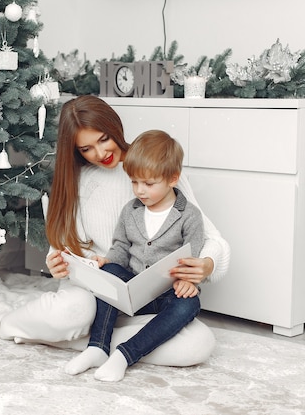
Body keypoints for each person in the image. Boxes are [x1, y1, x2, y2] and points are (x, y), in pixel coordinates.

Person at [0, 95, 230, 368]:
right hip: (96, 291)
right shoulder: (81, 182)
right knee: (73, 311)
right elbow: (66, 247)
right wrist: (60, 261)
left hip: (149, 298)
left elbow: (211, 239)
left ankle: (93, 343)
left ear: (114, 127)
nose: (101, 154)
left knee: (199, 344)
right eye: (87, 149)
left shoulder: (159, 166)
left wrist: (207, 264)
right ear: (76, 151)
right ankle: (10, 325)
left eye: (103, 139)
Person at [64, 130, 203, 382]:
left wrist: (189, 282)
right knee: (108, 272)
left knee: (190, 304)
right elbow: (119, 247)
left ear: (173, 179)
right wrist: (107, 263)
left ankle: (124, 355)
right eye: (134, 182)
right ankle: (97, 347)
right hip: (132, 291)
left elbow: (193, 256)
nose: (140, 190)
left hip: (167, 294)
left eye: (149, 184)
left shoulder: (189, 215)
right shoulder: (130, 211)